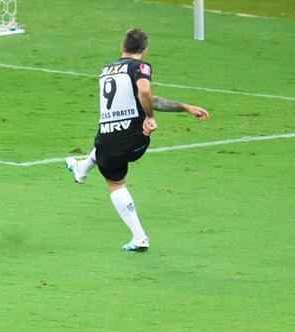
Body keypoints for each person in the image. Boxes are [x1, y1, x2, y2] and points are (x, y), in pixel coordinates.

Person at [63, 28, 209, 252]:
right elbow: (146, 92)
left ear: (123, 46)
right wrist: (159, 113)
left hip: (112, 135)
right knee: (105, 149)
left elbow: (144, 92)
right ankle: (81, 169)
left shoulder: (106, 70)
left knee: (115, 180)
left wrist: (162, 112)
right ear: (145, 49)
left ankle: (139, 237)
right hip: (136, 139)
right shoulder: (141, 66)